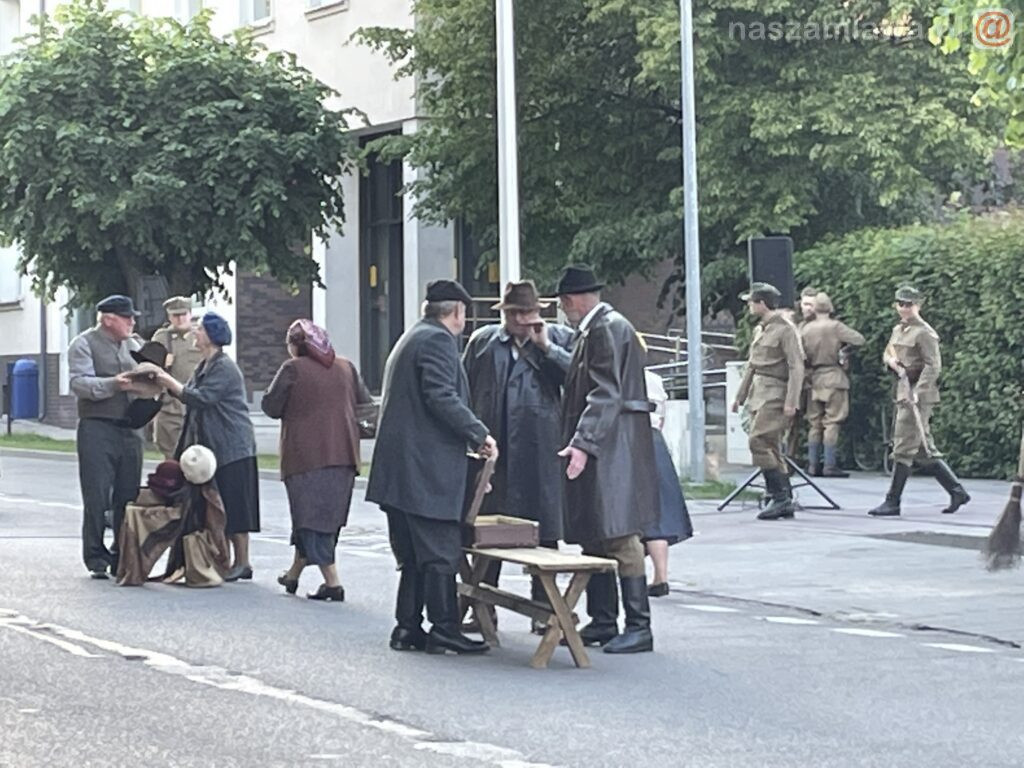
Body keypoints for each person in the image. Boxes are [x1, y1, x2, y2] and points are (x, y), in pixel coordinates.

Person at [366, 279, 498, 655]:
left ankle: (407, 627)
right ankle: (444, 629)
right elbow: (441, 396)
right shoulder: (438, 341)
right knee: (440, 552)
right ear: (457, 312)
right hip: (424, 471)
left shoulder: (412, 337)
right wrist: (479, 434)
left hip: (400, 472)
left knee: (412, 556)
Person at [556, 264, 659, 654]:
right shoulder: (604, 327)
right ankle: (604, 621)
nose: (565, 310)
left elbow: (604, 393)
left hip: (613, 444)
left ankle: (637, 625)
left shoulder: (603, 329)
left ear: (573, 299)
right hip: (613, 441)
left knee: (618, 532)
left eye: (565, 303)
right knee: (599, 529)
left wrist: (583, 442)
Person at [463, 280, 574, 632]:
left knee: (543, 532)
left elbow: (576, 379)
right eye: (513, 314)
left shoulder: (557, 338)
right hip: (495, 448)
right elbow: (464, 387)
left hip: (540, 448)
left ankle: (545, 609)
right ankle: (482, 608)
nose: (520, 320)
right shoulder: (484, 342)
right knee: (487, 531)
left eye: (526, 313)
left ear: (538, 312)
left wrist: (546, 348)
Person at [141, 311, 260, 581]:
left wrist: (168, 381)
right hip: (212, 448)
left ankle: (242, 562)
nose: (195, 333)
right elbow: (190, 396)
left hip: (232, 446)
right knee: (217, 505)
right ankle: (224, 561)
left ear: (211, 337)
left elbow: (201, 398)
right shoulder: (205, 365)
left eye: (200, 330)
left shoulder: (224, 368)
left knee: (235, 505)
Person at [261, 319, 373, 602]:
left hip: (305, 455)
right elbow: (366, 405)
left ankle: (333, 583)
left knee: (310, 519)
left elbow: (271, 406)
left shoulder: (293, 369)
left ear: (297, 345)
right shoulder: (346, 367)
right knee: (324, 518)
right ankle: (293, 574)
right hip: (344, 453)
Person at [868, 286, 970, 517]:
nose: (905, 308)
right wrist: (892, 364)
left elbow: (933, 365)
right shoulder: (898, 330)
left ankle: (892, 501)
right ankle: (957, 491)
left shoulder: (925, 332)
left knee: (903, 446)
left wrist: (919, 392)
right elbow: (889, 353)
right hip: (903, 389)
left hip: (917, 396)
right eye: (901, 304)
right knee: (923, 449)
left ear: (918, 305)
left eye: (909, 304)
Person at [68, 295, 146, 579]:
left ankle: (121, 553)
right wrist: (114, 384)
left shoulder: (134, 344)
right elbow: (80, 383)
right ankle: (95, 556)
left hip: (130, 428)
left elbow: (149, 372)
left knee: (128, 494)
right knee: (97, 494)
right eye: (127, 317)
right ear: (108, 319)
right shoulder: (84, 344)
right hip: (97, 427)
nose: (132, 321)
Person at [731, 282, 805, 521]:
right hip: (759, 392)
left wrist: (792, 400)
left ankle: (779, 496)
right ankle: (783, 497)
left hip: (776, 391)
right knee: (771, 446)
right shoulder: (761, 329)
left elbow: (796, 366)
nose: (750, 306)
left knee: (758, 441)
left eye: (752, 302)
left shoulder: (786, 330)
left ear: (761, 303)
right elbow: (752, 366)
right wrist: (740, 397)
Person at [800, 292, 865, 477]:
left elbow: (799, 353)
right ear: (830, 307)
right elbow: (859, 339)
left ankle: (812, 465)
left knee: (814, 423)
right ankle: (829, 465)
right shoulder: (836, 326)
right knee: (832, 421)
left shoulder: (805, 329)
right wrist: (844, 351)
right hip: (834, 377)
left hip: (813, 379)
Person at [642, 369, 693, 597]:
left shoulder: (618, 374)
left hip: (631, 440)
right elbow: (661, 415)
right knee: (660, 507)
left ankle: (631, 576)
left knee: (637, 512)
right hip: (654, 438)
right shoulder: (654, 378)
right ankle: (661, 576)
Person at [151, 296, 202, 459]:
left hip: (196, 406)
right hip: (170, 408)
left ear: (190, 314)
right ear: (169, 316)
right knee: (172, 459)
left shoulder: (201, 335)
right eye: (175, 315)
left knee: (198, 459)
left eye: (183, 314)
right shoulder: (161, 338)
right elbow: (147, 371)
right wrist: (161, 363)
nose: (180, 319)